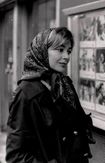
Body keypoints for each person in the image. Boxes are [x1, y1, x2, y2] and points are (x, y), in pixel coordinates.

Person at [6, 27, 95, 163]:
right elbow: (16, 155)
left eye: (69, 51)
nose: (66, 56)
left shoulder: (65, 85)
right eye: (60, 49)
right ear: (41, 50)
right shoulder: (25, 93)